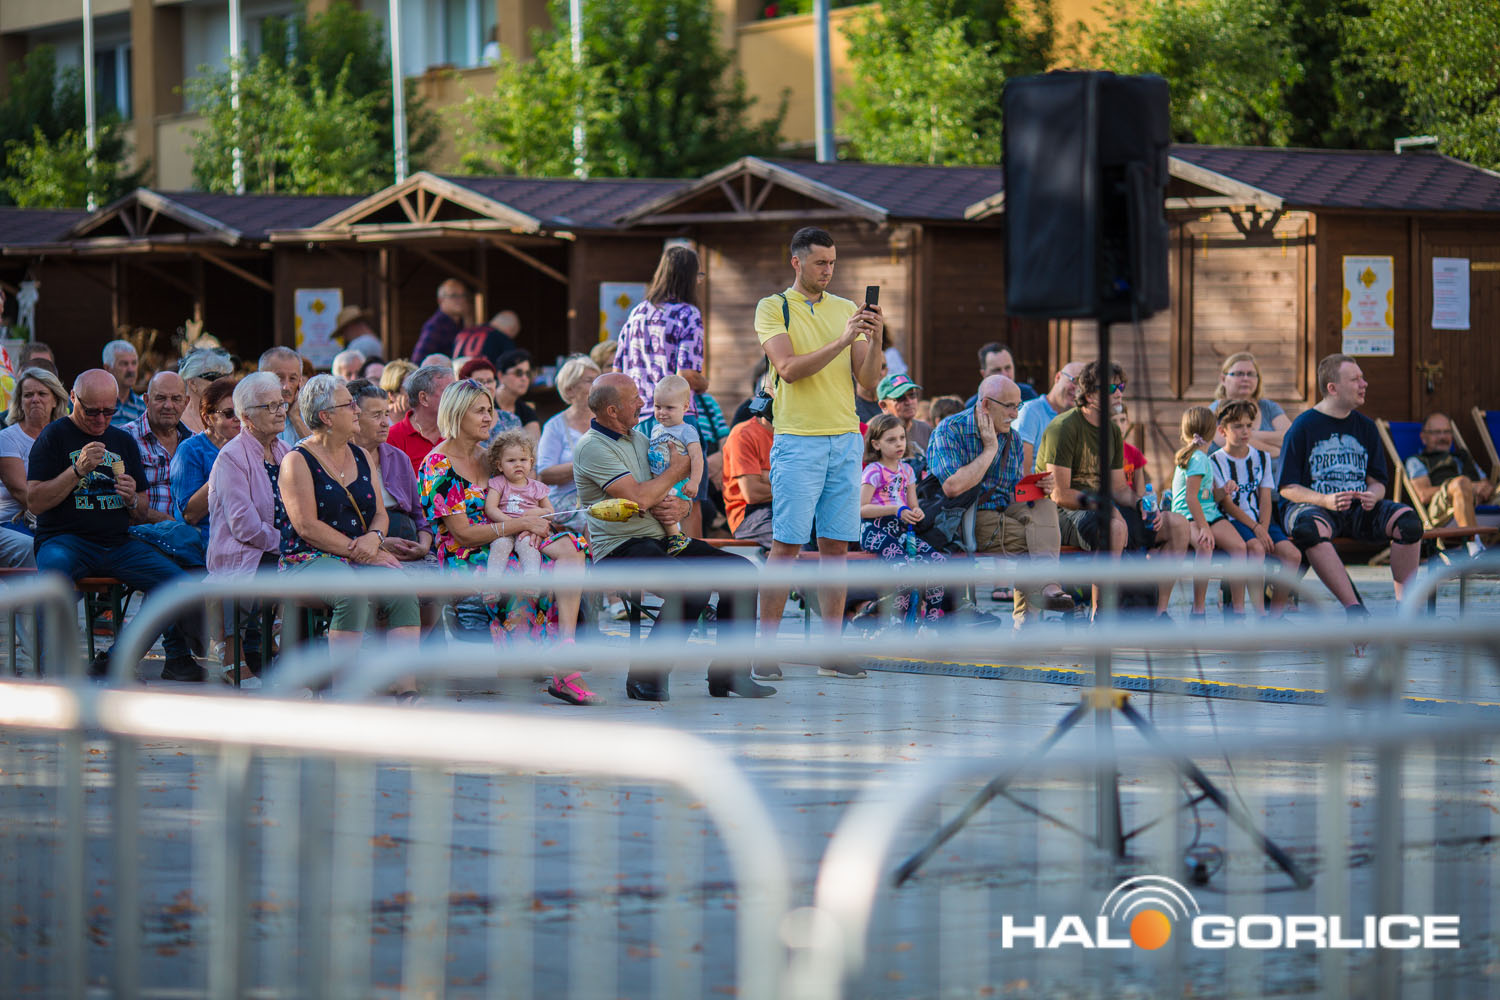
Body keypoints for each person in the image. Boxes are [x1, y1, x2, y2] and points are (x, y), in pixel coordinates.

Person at [573, 373, 771, 701]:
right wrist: (677, 470)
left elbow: (668, 490)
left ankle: (730, 673)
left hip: (663, 539)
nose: (642, 403)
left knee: (742, 573)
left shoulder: (640, 438)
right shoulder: (591, 447)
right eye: (635, 399)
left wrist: (682, 505)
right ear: (612, 410)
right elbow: (640, 498)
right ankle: (644, 676)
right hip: (620, 548)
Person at [753, 226, 884, 680]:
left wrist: (875, 337)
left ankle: (832, 650)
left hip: (845, 438)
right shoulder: (774, 306)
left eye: (832, 263)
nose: (828, 270)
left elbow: (869, 383)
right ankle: (764, 650)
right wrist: (845, 340)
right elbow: (788, 369)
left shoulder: (847, 309)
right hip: (798, 439)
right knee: (786, 546)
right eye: (820, 262)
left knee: (836, 549)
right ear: (797, 262)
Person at [419, 380, 592, 704]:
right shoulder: (437, 464)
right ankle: (547, 666)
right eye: (480, 411)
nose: (489, 417)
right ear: (457, 414)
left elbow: (526, 500)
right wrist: (520, 525)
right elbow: (462, 534)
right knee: (520, 572)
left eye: (490, 410)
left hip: (510, 537)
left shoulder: (491, 458)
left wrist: (534, 523)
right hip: (465, 552)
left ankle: (564, 650)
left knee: (572, 546)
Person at [28, 370, 205, 680]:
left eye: (108, 411)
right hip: (65, 539)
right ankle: (52, 674)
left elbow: (141, 508)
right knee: (52, 581)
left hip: (118, 541)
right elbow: (35, 502)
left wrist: (132, 499)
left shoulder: (121, 440)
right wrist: (77, 471)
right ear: (73, 398)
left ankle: (116, 660)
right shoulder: (54, 436)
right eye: (91, 411)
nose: (100, 419)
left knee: (177, 585)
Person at [276, 375, 421, 694]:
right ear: (326, 416)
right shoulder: (296, 460)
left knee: (402, 589)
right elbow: (307, 527)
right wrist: (361, 551)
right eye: (349, 404)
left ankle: (406, 691)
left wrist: (375, 539)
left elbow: (380, 513)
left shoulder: (361, 456)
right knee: (350, 592)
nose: (357, 410)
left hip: (360, 553)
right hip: (307, 558)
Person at [1036, 362, 1188, 619]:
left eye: (1121, 387)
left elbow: (1118, 488)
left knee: (1178, 525)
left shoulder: (1113, 431)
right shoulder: (1063, 428)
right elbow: (1059, 494)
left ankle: (1159, 614)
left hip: (1103, 508)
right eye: (1110, 388)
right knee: (1114, 528)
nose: (1118, 393)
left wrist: (1141, 504)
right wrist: (1104, 506)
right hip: (1065, 512)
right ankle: (1101, 616)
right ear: (1089, 394)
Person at [926, 375, 1075, 627]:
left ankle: (1047, 587)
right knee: (1038, 543)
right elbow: (952, 487)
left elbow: (1012, 490)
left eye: (1018, 406)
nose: (1015, 414)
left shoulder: (1012, 438)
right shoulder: (950, 429)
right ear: (986, 405)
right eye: (1009, 406)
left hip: (1003, 508)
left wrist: (1038, 488)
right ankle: (1030, 619)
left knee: (1044, 505)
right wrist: (989, 450)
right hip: (964, 515)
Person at [1278, 354, 1422, 613]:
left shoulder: (1366, 427)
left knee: (1409, 522)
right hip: (1314, 508)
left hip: (1358, 510)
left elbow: (1378, 482)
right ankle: (1355, 610)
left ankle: (1406, 611)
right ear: (1332, 388)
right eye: (1355, 379)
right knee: (1309, 529)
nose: (1364, 384)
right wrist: (1324, 500)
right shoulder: (1303, 427)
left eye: (1362, 378)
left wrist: (1374, 495)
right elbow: (1287, 488)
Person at [207, 372, 291, 680]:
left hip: (281, 546)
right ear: (246, 417)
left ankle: (292, 659)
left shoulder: (285, 452)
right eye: (270, 406)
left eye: (281, 403)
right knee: (284, 567)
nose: (280, 411)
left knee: (312, 567)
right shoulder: (231, 457)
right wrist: (287, 543)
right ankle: (234, 656)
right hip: (241, 550)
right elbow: (244, 526)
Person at [481, 430, 588, 642]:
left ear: (531, 462)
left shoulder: (537, 488)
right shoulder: (499, 483)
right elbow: (490, 508)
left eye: (523, 460)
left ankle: (532, 581)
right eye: (511, 461)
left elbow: (550, 512)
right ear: (500, 465)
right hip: (504, 529)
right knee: (500, 547)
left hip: (527, 532)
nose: (518, 465)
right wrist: (510, 524)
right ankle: (491, 585)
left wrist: (537, 513)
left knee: (530, 550)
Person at [1210, 400, 1301, 616]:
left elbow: (1265, 497)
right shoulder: (1215, 461)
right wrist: (1256, 529)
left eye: (1249, 426)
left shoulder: (1261, 457)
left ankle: (1275, 617)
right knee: (1257, 550)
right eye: (1237, 426)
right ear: (1222, 431)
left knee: (1293, 556)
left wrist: (1264, 527)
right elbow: (1227, 504)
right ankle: (1252, 613)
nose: (1245, 431)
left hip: (1261, 521)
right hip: (1234, 521)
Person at [859, 413, 946, 627]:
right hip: (875, 530)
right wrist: (896, 509)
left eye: (901, 438)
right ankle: (893, 620)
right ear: (876, 444)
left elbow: (913, 505)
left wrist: (917, 513)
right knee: (904, 570)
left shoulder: (907, 470)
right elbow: (861, 509)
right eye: (891, 440)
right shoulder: (873, 471)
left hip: (900, 530)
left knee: (938, 562)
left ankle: (930, 623)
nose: (899, 444)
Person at [1170, 406, 1248, 619]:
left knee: (1240, 547)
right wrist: (1204, 527)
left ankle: (1238, 610)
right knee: (1205, 546)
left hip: (1208, 513)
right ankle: (1198, 610)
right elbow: (1190, 498)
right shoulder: (1197, 458)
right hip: (1188, 516)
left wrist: (1224, 491)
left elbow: (1206, 496)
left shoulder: (1203, 458)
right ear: (1212, 432)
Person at [616, 245, 708, 417]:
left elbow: (617, 371)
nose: (699, 281)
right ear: (689, 277)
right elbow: (686, 374)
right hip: (673, 416)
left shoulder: (637, 312)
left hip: (638, 416)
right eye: (698, 275)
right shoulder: (687, 314)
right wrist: (703, 384)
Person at [1405, 412, 1494, 556]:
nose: (1443, 437)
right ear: (1423, 437)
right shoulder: (1416, 461)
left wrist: (1484, 488)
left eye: (1446, 432)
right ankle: (1474, 547)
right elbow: (1423, 494)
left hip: (1477, 501)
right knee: (1461, 483)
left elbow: (1485, 483)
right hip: (1441, 509)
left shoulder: (1461, 457)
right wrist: (1463, 488)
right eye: (1436, 432)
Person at [537, 354, 601, 534]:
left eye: (598, 380)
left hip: (603, 496)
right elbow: (545, 474)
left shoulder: (607, 421)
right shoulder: (555, 425)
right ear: (570, 389)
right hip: (568, 501)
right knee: (594, 519)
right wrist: (584, 466)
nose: (597, 386)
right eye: (590, 381)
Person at [0, 367, 70, 531]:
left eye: (42, 394)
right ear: (20, 402)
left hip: (60, 521)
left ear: (55, 400)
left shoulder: (67, 437)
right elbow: (23, 494)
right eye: (28, 395)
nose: (35, 399)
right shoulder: (7, 438)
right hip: (13, 523)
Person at [171, 376, 239, 543]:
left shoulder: (249, 445)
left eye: (241, 411)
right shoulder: (190, 450)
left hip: (248, 535)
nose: (237, 418)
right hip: (209, 541)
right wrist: (225, 467)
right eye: (229, 413)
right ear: (208, 418)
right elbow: (190, 515)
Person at [641, 374, 702, 554]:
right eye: (657, 406)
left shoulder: (686, 431)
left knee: (665, 504)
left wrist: (694, 482)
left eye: (669, 407)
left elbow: (697, 458)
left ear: (685, 407)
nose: (662, 412)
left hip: (677, 481)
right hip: (658, 478)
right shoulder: (656, 428)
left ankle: (675, 537)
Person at [1210, 352, 1292, 480]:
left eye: (1251, 374)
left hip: (1278, 485)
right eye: (1239, 374)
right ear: (1223, 379)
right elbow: (1233, 445)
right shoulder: (1215, 411)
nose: (1245, 378)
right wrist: (1277, 450)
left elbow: (1291, 437)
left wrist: (1252, 435)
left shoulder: (1268, 407)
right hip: (1234, 488)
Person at [126, 371, 193, 522]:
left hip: (191, 531)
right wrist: (168, 522)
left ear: (186, 402)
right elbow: (120, 499)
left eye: (176, 399)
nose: (168, 406)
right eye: (160, 398)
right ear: (146, 400)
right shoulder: (126, 438)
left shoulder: (195, 442)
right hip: (144, 531)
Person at [721, 385, 774, 548]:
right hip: (750, 515)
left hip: (791, 506)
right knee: (793, 543)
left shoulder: (798, 436)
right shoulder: (743, 434)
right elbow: (753, 493)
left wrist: (767, 476)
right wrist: (797, 486)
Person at [1014, 361, 1086, 474]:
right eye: (1075, 381)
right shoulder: (1030, 412)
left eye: (1083, 386)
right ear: (1058, 377)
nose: (1078, 389)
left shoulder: (1079, 419)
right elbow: (1021, 472)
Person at [388, 364, 454, 474]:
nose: (456, 398)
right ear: (423, 398)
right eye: (448, 393)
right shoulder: (393, 438)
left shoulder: (459, 432)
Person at [259, 347, 311, 448]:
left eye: (292, 379)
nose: (286, 387)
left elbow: (319, 454)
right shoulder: (252, 417)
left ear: (300, 382)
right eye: (279, 378)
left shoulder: (311, 415)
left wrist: (295, 418)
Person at [412, 279, 472, 364]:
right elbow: (418, 360)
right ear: (440, 300)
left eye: (463, 295)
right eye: (454, 295)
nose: (460, 299)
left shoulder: (461, 323)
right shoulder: (435, 326)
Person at [178, 348, 235, 435]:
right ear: (192, 383)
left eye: (224, 376)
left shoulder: (233, 415)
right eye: (213, 377)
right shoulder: (176, 419)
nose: (221, 383)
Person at [965, 342, 1039, 407]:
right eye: (997, 370)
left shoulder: (1028, 396)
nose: (1004, 375)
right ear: (984, 374)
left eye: (1007, 368)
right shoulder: (973, 406)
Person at [491, 349, 541, 444]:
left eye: (528, 374)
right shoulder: (486, 406)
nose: (524, 378)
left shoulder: (527, 412)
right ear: (500, 376)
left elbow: (534, 447)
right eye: (518, 373)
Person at [875, 372, 932, 455]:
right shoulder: (875, 432)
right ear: (883, 405)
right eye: (900, 398)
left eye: (912, 395)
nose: (909, 402)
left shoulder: (926, 430)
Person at [1112, 402, 1151, 502]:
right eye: (1113, 421)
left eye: (1122, 420)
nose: (1119, 426)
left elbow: (1140, 492)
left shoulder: (1134, 453)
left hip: (1130, 504)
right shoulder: (1096, 451)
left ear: (1128, 422)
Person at [452, 310, 519, 366]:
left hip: (456, 375)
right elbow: (512, 365)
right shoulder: (502, 337)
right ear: (511, 329)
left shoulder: (462, 333)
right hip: (481, 376)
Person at [102, 339, 145, 427]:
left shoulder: (142, 407)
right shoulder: (97, 407)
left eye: (134, 363)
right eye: (124, 364)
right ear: (108, 368)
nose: (131, 370)